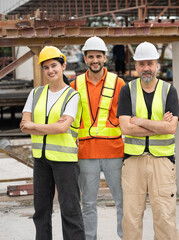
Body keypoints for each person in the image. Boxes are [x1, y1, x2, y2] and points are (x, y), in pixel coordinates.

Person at [20, 46, 85, 240]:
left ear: (63, 66)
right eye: (46, 67)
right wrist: (44, 126)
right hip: (41, 160)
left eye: (54, 65)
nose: (51, 70)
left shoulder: (72, 96)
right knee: (41, 211)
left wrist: (35, 125)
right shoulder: (36, 93)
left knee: (70, 211)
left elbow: (62, 128)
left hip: (65, 160)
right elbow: (24, 125)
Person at [117, 41, 179, 240]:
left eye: (150, 64)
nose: (146, 68)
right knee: (131, 219)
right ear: (136, 66)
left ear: (157, 66)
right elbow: (125, 127)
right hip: (133, 162)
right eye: (142, 64)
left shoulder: (169, 91)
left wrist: (141, 121)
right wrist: (157, 125)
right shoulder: (127, 90)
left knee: (165, 218)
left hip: (162, 162)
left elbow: (171, 128)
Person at [70, 36, 125, 240]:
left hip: (114, 152)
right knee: (88, 204)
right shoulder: (74, 84)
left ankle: (124, 236)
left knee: (122, 202)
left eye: (98, 56)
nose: (95, 60)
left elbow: (124, 115)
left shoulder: (117, 83)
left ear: (105, 57)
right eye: (91, 56)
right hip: (86, 153)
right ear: (85, 58)